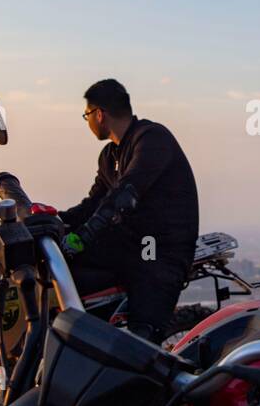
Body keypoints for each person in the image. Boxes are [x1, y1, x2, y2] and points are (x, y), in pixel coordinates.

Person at [60, 79, 199, 343]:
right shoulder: (109, 155)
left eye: (86, 115)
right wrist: (54, 220)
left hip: (160, 254)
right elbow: (93, 204)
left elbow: (125, 194)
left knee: (142, 343)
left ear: (99, 114)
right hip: (127, 247)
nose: (87, 121)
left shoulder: (152, 138)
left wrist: (83, 237)